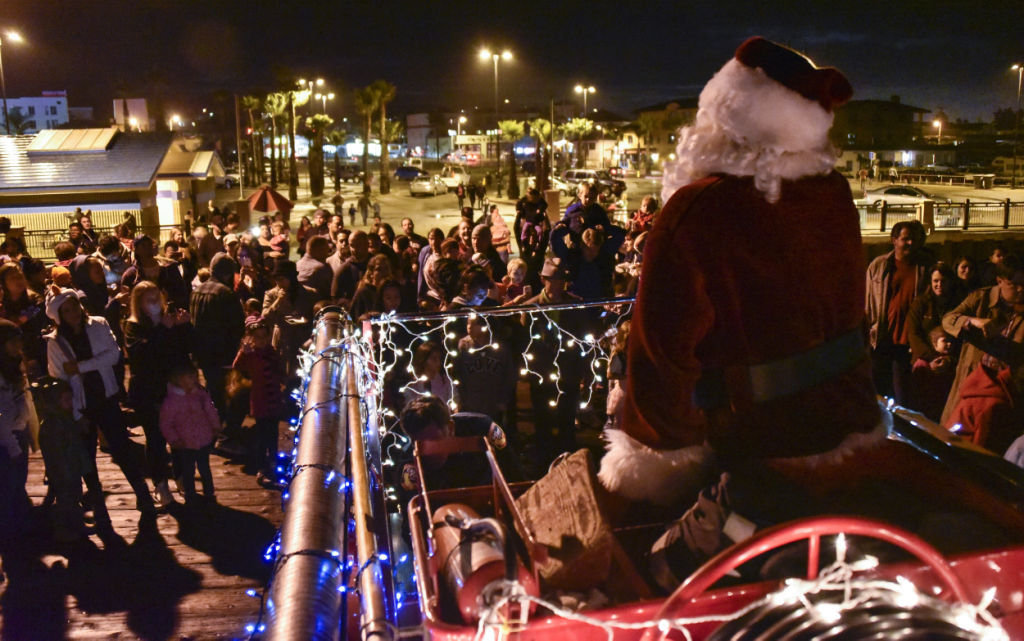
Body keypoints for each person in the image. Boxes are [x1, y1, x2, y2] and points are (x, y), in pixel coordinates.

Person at [45, 288, 155, 514]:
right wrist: (75, 412)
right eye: (66, 309)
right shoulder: (55, 342)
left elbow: (113, 354)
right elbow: (60, 376)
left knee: (121, 447)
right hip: (79, 404)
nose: (73, 311)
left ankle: (141, 492)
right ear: (59, 315)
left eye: (74, 305)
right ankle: (96, 495)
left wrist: (81, 367)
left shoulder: (99, 324)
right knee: (86, 455)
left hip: (104, 396)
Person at [940, 257, 1024, 453]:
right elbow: (948, 319)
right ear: (1000, 280)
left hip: (1002, 394)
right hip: (971, 384)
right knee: (954, 440)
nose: (1020, 290)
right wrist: (973, 321)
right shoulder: (981, 298)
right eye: (1014, 284)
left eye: (1023, 285)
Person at [124, 281, 193, 509]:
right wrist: (162, 329)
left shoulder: (168, 319)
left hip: (172, 388)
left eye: (157, 298)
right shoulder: (133, 326)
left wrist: (183, 326)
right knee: (155, 438)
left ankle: (183, 479)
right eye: (149, 299)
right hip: (148, 391)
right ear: (139, 302)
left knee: (179, 436)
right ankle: (161, 484)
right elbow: (142, 356)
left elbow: (182, 351)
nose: (155, 304)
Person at [34, 375, 109, 541]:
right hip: (64, 473)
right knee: (65, 502)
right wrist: (63, 473)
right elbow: (56, 454)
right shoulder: (53, 425)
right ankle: (63, 530)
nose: (70, 403)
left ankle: (77, 525)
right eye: (66, 400)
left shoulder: (65, 419)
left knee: (74, 500)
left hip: (72, 469)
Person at [865, 220, 931, 403]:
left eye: (914, 239)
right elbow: (868, 304)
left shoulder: (925, 268)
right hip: (881, 341)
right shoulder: (878, 266)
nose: (911, 243)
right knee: (879, 396)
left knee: (903, 397)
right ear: (894, 240)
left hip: (908, 344)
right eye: (906, 239)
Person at [189, 254, 245, 423]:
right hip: (221, 352)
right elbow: (237, 326)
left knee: (211, 386)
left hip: (202, 350)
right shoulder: (226, 293)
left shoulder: (196, 291)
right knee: (223, 391)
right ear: (228, 273)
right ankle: (219, 427)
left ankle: (211, 421)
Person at [232, 319, 286, 486]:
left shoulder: (272, 351)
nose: (262, 340)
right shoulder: (250, 355)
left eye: (264, 336)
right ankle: (261, 467)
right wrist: (243, 352)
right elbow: (237, 366)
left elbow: (279, 369)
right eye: (258, 337)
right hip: (260, 401)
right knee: (262, 436)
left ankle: (273, 461)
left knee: (273, 434)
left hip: (274, 399)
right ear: (251, 339)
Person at [159, 362, 219, 505]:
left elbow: (210, 411)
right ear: (178, 380)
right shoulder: (172, 401)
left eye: (194, 377)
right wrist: (174, 439)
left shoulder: (201, 395)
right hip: (185, 443)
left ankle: (209, 492)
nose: (194, 380)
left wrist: (215, 426)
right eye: (189, 377)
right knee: (188, 470)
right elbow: (166, 423)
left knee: (205, 468)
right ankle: (190, 494)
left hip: (203, 439)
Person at [906, 262, 959, 413]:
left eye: (943, 281)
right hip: (924, 361)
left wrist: (949, 359)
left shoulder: (957, 305)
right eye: (936, 281)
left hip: (950, 363)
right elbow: (913, 334)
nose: (939, 284)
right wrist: (931, 358)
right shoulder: (920, 304)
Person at [0, 320, 34, 542]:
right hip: (6, 439)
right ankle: (10, 531)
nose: (17, 345)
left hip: (19, 432)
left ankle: (18, 526)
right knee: (8, 485)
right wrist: (12, 445)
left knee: (18, 481)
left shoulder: (14, 365)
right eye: (12, 341)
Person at [453, 316, 516, 424]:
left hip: (493, 403)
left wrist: (503, 400)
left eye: (474, 324)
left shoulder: (500, 348)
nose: (469, 327)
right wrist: (460, 399)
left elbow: (509, 375)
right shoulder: (464, 346)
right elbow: (458, 374)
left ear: (485, 326)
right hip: (471, 404)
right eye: (468, 323)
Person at [262, 261, 317, 376]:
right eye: (276, 279)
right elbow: (265, 316)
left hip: (302, 340)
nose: (279, 283)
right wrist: (278, 302)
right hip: (282, 340)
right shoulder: (271, 294)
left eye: (282, 279)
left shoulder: (309, 293)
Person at [0, 262, 50, 380]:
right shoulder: (3, 304)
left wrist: (19, 320)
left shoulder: (34, 300)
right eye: (13, 277)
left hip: (35, 353)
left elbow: (37, 311)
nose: (19, 280)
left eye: (20, 276)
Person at [121, 234, 190, 310]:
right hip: (144, 316)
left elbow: (182, 292)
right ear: (136, 250)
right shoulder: (131, 274)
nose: (148, 248)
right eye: (143, 245)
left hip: (167, 316)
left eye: (149, 245)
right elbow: (126, 300)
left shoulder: (169, 268)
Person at [910, 326, 957, 422]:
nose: (949, 344)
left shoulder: (951, 363)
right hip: (925, 404)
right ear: (934, 343)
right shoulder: (922, 363)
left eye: (951, 341)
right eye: (944, 341)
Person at [402, 341, 456, 409]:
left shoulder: (447, 381)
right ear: (423, 360)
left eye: (439, 358)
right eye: (434, 359)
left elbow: (453, 402)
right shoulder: (413, 385)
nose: (438, 362)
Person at [332, 230, 370, 303]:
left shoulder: (376, 264)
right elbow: (335, 297)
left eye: (358, 245)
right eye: (352, 245)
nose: (354, 249)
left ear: (367, 244)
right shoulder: (343, 269)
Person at [349, 254, 392, 319]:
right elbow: (354, 317)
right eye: (379, 269)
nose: (384, 272)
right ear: (371, 273)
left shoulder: (392, 290)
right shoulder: (363, 292)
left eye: (386, 268)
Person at [297, 235, 334, 301]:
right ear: (320, 251)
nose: (328, 254)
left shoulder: (297, 264)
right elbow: (331, 294)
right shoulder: (321, 268)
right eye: (327, 250)